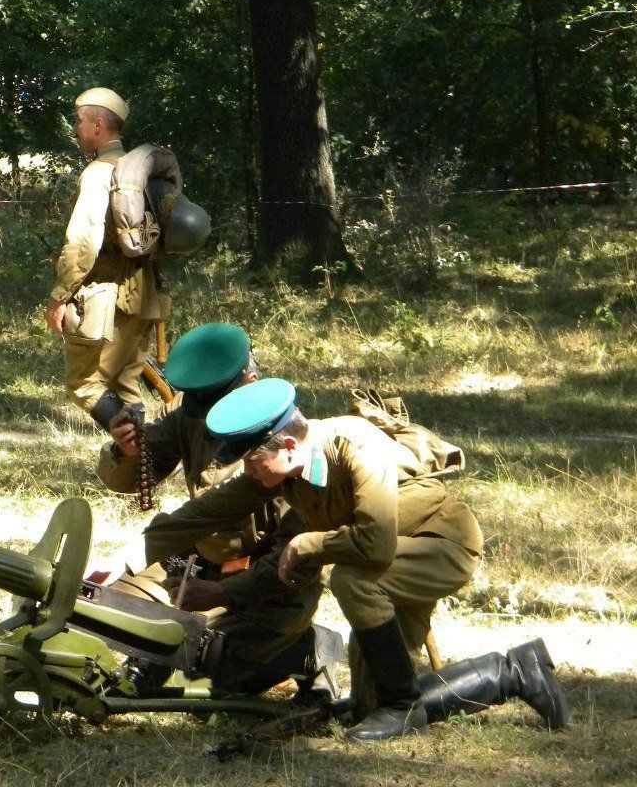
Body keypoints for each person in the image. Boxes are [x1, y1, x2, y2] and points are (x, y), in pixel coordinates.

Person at [176, 378, 567, 739]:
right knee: (368, 708)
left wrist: (310, 544)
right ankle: (512, 672)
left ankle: (402, 703)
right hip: (392, 561)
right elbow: (271, 552)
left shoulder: (353, 445)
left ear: (288, 447)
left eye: (250, 461)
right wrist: (219, 587)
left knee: (353, 582)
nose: (247, 472)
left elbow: (374, 544)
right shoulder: (291, 478)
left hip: (440, 545)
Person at [94, 323, 336, 698]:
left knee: (212, 663)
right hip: (198, 560)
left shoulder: (284, 442)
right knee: (111, 614)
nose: (210, 418)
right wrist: (127, 452)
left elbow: (295, 560)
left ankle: (306, 650)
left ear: (250, 382)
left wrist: (223, 593)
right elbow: (142, 478)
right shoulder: (189, 414)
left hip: (263, 581)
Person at [46, 88, 168, 427]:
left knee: (84, 383)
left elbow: (83, 242)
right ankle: (143, 456)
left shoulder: (99, 172)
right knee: (125, 383)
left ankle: (134, 450)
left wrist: (59, 297)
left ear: (98, 126)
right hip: (145, 296)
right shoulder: (137, 173)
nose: (75, 129)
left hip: (107, 297)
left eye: (79, 122)